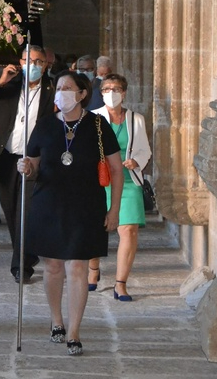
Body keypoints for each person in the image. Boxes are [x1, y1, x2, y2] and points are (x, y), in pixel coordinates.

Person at [17, 71, 123, 356]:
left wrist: (114, 209)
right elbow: (35, 166)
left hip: (85, 205)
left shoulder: (98, 126)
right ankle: (57, 321)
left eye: (67, 88)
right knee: (52, 266)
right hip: (49, 203)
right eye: (59, 88)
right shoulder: (44, 125)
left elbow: (116, 170)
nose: (61, 92)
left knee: (77, 266)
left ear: (82, 94)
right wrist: (27, 168)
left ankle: (74, 332)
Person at [0, 45, 55, 283]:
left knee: (26, 212)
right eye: (28, 60)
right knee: (11, 211)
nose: (34, 66)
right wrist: (1, 81)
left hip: (35, 159)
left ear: (45, 65)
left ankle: (21, 266)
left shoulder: (52, 90)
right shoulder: (9, 86)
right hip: (7, 157)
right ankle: (27, 255)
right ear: (20, 62)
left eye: (38, 62)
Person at [88, 73, 151, 301]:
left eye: (116, 89)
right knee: (94, 228)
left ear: (124, 93)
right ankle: (93, 269)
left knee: (129, 230)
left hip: (127, 179)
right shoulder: (93, 118)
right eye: (106, 89)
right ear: (101, 93)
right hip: (99, 180)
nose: (111, 93)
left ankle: (120, 283)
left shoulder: (136, 119)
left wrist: (137, 161)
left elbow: (145, 149)